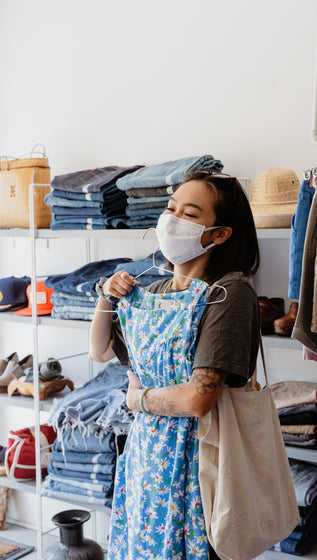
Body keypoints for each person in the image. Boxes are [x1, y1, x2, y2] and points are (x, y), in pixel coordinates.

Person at [89, 169, 260, 560]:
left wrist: (136, 400)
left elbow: (198, 400)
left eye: (191, 213)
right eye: (171, 208)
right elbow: (99, 351)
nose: (172, 219)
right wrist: (105, 295)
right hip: (146, 459)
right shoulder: (155, 292)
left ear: (219, 234)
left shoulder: (227, 293)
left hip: (199, 462)